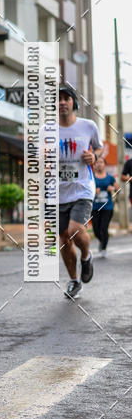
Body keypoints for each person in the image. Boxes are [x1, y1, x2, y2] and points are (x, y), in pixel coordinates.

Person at [57, 85, 104, 299]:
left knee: (75, 229)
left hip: (83, 189)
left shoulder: (88, 126)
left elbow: (99, 147)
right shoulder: (46, 131)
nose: (62, 102)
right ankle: (74, 281)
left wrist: (94, 157)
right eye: (58, 99)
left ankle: (86, 256)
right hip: (57, 192)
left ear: (73, 103)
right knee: (64, 238)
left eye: (66, 98)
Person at [91, 157, 118, 258]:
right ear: (94, 165)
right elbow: (86, 190)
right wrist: (94, 191)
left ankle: (103, 248)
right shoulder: (92, 177)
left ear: (104, 164)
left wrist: (113, 188)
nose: (99, 164)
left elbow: (118, 189)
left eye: (101, 162)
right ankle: (102, 241)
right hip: (95, 207)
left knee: (104, 227)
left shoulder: (110, 178)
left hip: (107, 207)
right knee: (96, 230)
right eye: (97, 162)